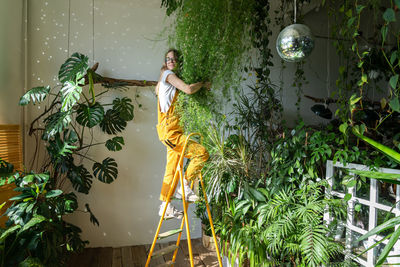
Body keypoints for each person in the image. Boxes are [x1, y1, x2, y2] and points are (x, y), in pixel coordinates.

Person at [155, 48, 210, 219]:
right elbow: (188, 89)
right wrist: (203, 84)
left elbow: (157, 91)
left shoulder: (165, 78)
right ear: (165, 62)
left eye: (174, 59)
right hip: (171, 133)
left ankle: (165, 206)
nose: (171, 61)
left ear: (179, 62)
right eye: (168, 59)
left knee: (171, 169)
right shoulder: (168, 76)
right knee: (202, 153)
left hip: (172, 131)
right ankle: (184, 186)